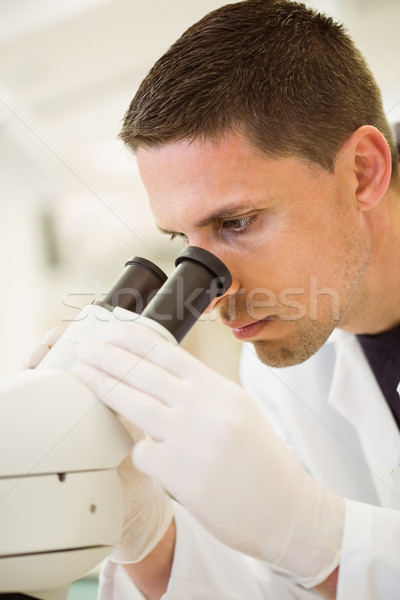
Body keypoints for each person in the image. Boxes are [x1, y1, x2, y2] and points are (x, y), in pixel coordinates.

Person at [31, 1, 400, 598]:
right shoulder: (280, 372)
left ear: (362, 171)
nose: (206, 294)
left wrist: (322, 540)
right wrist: (146, 535)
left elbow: (323, 561)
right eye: (183, 242)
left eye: (237, 222)